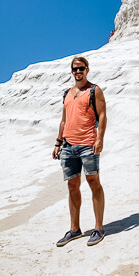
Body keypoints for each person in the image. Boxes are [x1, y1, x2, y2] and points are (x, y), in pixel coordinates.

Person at [52, 56, 107, 247]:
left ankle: (98, 228)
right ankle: (74, 229)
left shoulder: (94, 90)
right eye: (75, 69)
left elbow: (102, 115)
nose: (78, 72)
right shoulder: (68, 93)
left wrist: (100, 138)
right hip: (68, 146)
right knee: (72, 186)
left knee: (94, 182)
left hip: (88, 144)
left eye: (81, 68)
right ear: (71, 71)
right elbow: (64, 120)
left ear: (87, 70)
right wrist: (58, 143)